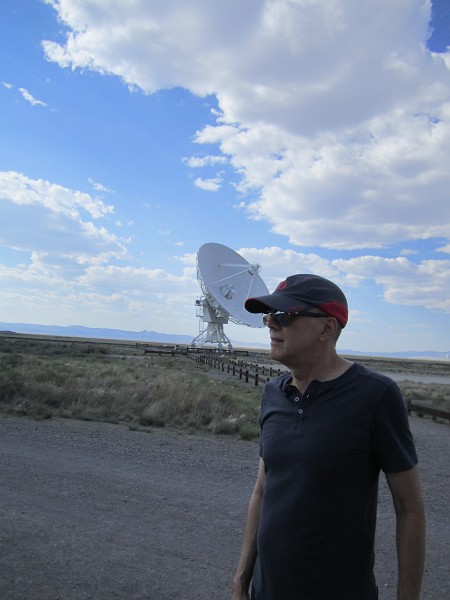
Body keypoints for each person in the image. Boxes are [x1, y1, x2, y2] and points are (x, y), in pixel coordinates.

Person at [231, 274, 425, 600]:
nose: (271, 325)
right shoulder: (272, 394)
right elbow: (263, 490)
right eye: (268, 317)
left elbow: (410, 508)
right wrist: (240, 583)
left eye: (283, 316)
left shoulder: (375, 396)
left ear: (326, 328)